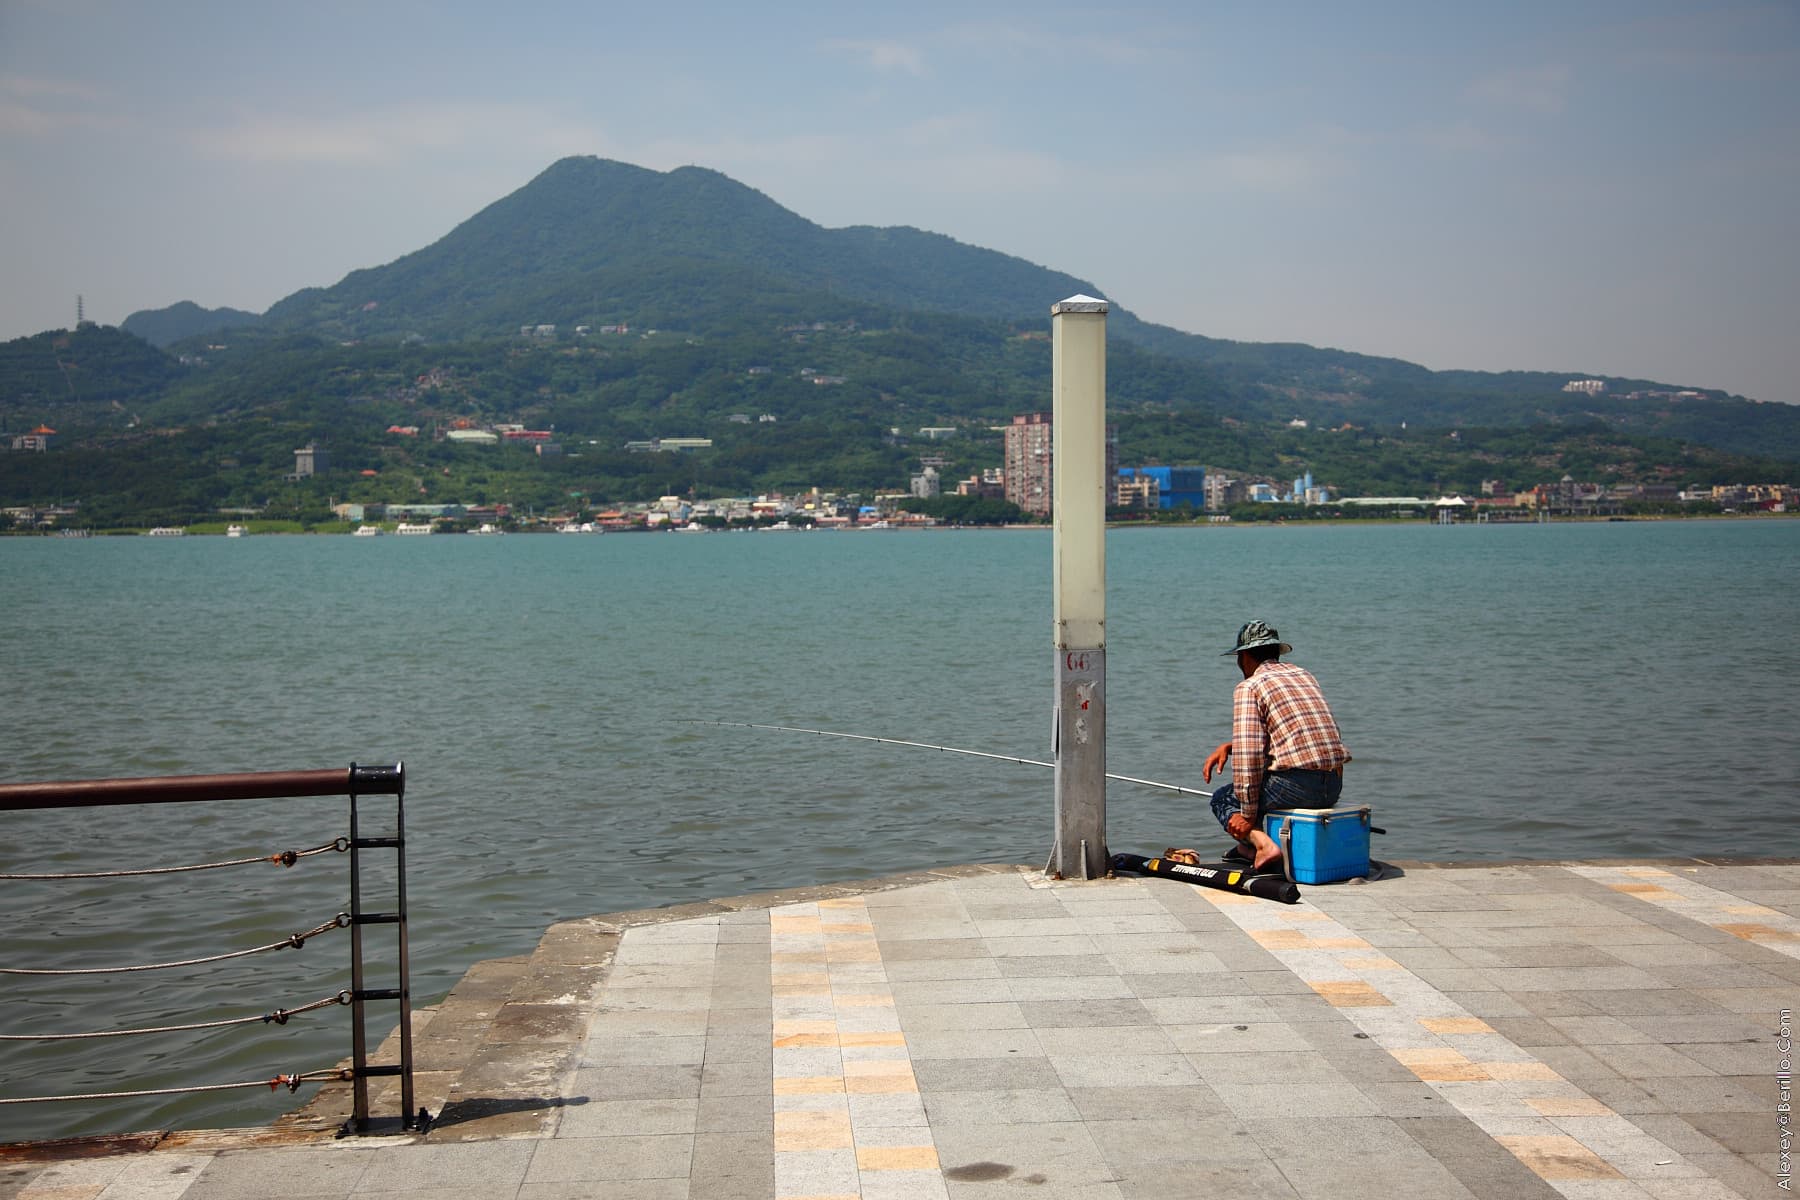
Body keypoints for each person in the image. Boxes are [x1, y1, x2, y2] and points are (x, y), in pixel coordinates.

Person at [1169, 620, 1351, 871]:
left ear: (1243, 657)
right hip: (1332, 785)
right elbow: (1296, 737)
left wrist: (1247, 815)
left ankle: (1262, 845)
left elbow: (1250, 758)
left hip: (1297, 788)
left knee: (1224, 799)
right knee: (1260, 785)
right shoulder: (1303, 675)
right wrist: (1231, 746)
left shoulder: (1250, 686)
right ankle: (1248, 849)